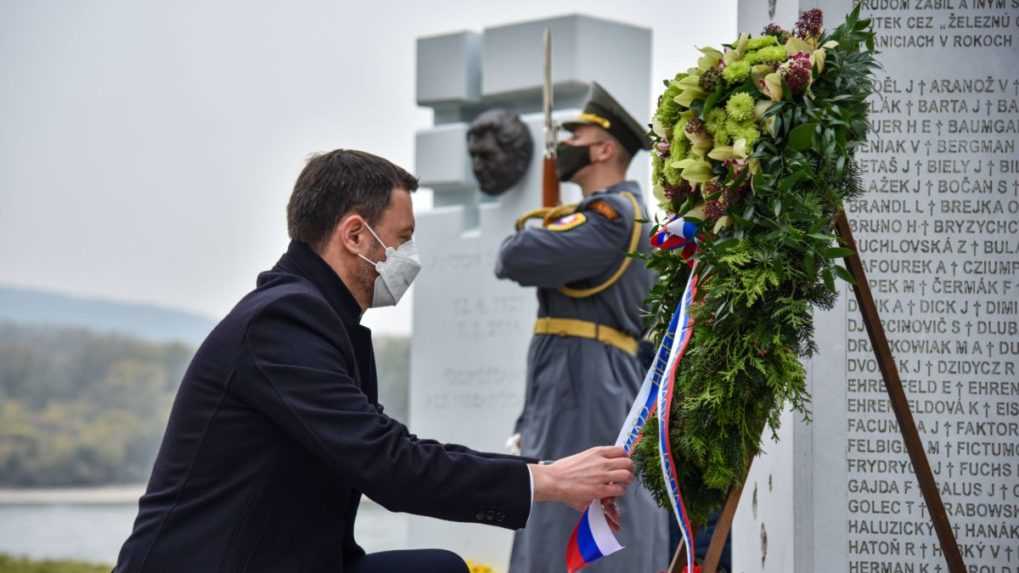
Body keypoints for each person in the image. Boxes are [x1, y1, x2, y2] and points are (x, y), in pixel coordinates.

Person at [113, 149, 635, 573]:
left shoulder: (318, 318)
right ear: (356, 235)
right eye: (402, 239)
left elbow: (392, 453)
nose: (409, 258)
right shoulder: (283, 321)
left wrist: (543, 474)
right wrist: (548, 480)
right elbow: (390, 465)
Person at [496, 82, 670, 572]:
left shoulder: (610, 217)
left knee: (572, 515)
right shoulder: (617, 216)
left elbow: (515, 258)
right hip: (584, 373)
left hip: (583, 380)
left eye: (577, 135)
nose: (566, 144)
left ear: (604, 148)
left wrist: (544, 226)